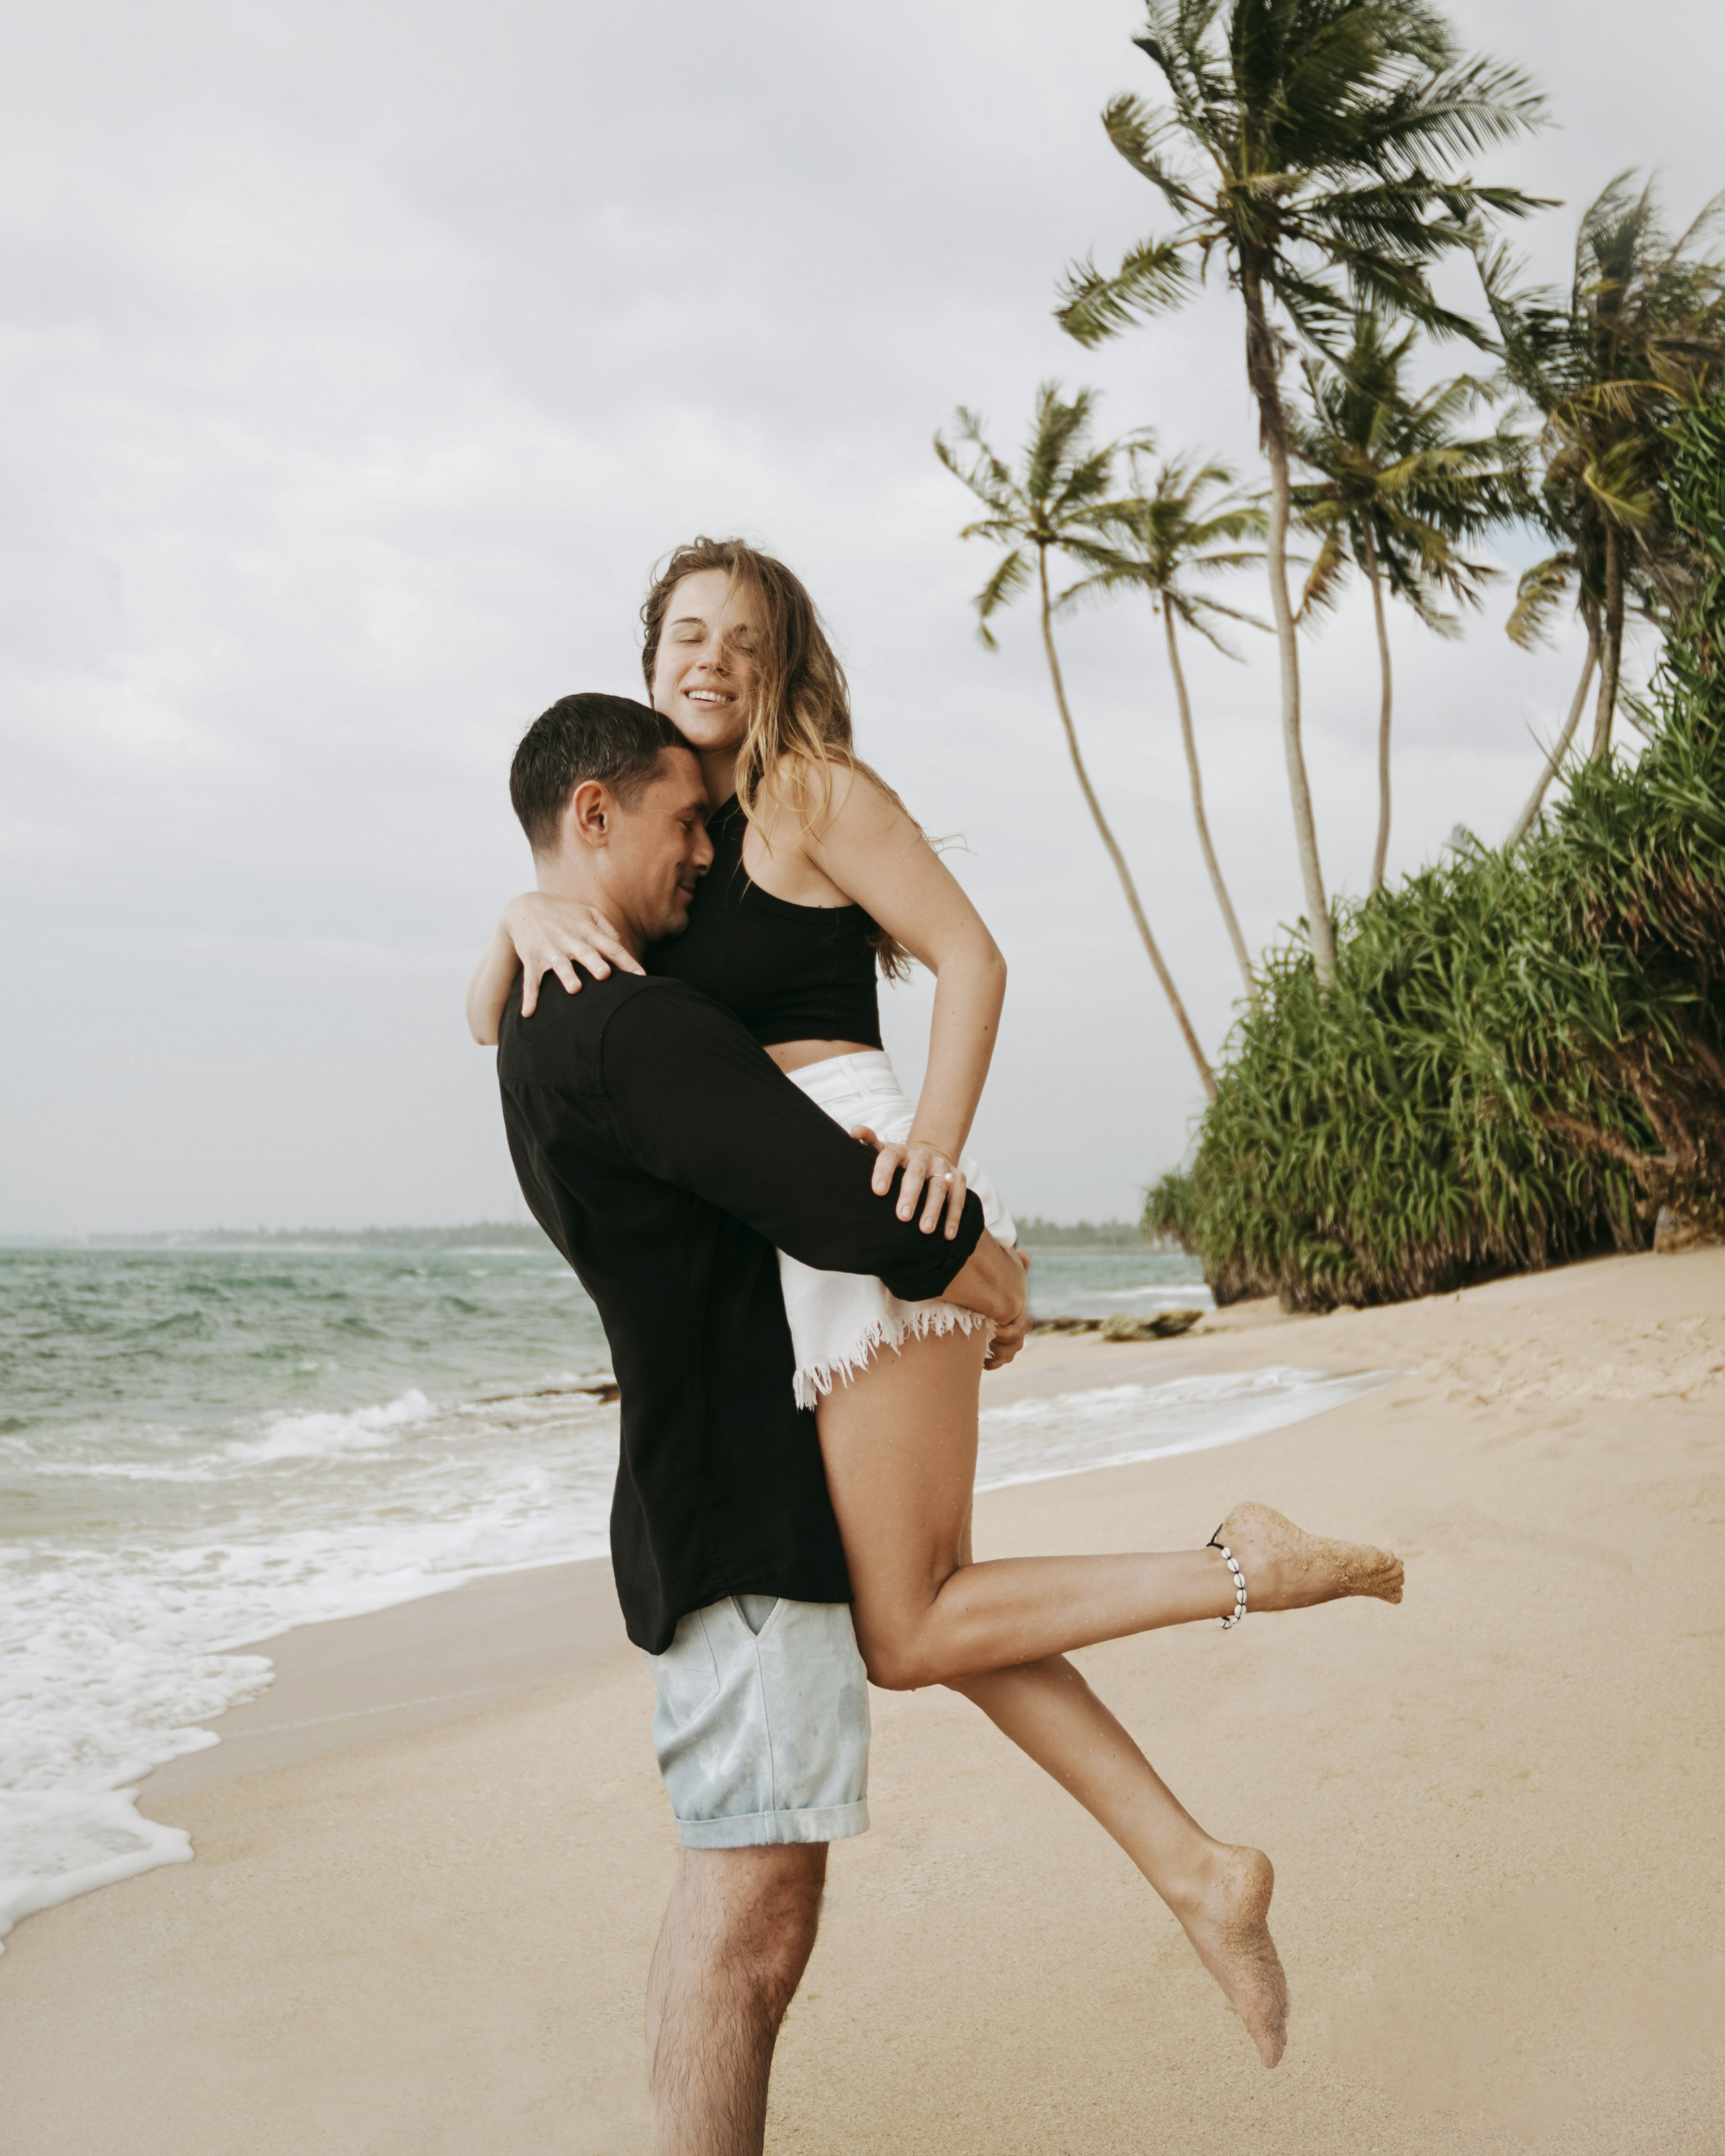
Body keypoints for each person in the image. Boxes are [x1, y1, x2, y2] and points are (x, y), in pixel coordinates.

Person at [472, 544, 1405, 2082]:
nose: (712, 659)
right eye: (686, 634)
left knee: (909, 1625)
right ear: (646, 662)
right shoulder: (651, 836)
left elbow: (971, 953)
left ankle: (1239, 1572)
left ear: (780, 665)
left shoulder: (812, 795)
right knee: (933, 1609)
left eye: (745, 639)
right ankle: (1194, 1864)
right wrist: (516, 910)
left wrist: (933, 1170)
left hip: (851, 1203)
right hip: (767, 1233)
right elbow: (490, 1010)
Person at [494, 692, 1029, 2156]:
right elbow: (820, 1194)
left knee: (744, 1904)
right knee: (747, 1922)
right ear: (593, 814)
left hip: (699, 1498)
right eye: (682, 824)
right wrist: (982, 1262)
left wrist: (513, 913)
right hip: (733, 1510)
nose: (702, 855)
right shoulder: (635, 1024)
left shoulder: (544, 1021)